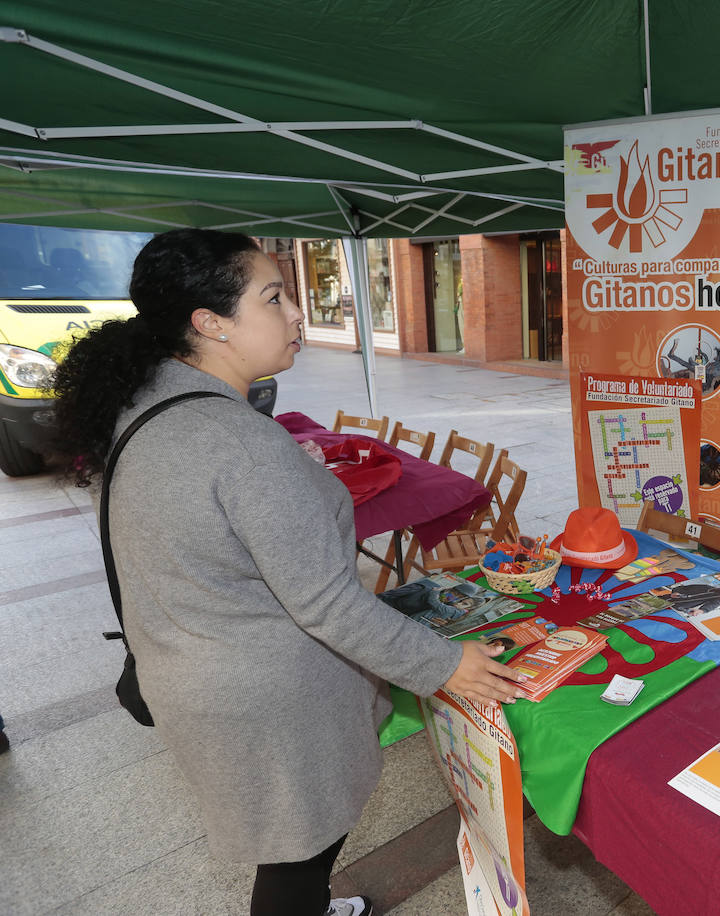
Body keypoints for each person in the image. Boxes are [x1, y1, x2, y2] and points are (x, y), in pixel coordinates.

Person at [50, 228, 527, 916]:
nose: (299, 312)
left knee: (287, 848)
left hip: (193, 673)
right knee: (300, 855)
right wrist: (447, 664)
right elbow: (331, 606)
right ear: (210, 323)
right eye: (274, 298)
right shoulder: (242, 445)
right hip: (268, 702)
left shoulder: (144, 408)